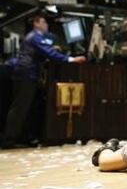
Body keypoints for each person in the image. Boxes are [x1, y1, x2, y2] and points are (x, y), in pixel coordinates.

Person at [1, 15, 85, 148]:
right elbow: (49, 52)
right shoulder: (35, 36)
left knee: (24, 108)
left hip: (25, 74)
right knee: (19, 108)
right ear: (36, 23)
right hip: (26, 75)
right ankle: (8, 140)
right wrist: (71, 60)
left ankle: (21, 138)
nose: (46, 25)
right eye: (44, 22)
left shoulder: (33, 36)